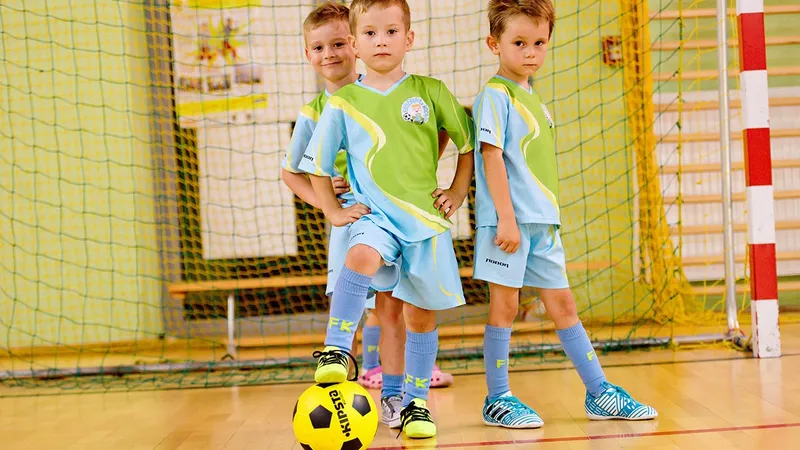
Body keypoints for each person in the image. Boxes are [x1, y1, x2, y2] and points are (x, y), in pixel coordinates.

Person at [471, 0, 659, 429]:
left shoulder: (534, 97)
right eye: (519, 42)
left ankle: (599, 392)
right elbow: (491, 156)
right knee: (505, 306)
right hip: (508, 225)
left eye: (539, 42)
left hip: (541, 224)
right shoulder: (495, 96)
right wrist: (506, 218)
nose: (530, 52)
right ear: (493, 44)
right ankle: (497, 398)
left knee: (564, 304)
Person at [298, 0, 474, 438]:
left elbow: (466, 142)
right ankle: (337, 350)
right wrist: (334, 212)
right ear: (357, 44)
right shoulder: (343, 102)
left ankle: (415, 405)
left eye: (392, 32)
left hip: (425, 222)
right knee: (358, 256)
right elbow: (316, 167)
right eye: (371, 34)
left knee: (420, 318)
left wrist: (456, 190)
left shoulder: (430, 91)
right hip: (375, 217)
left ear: (408, 38)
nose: (382, 41)